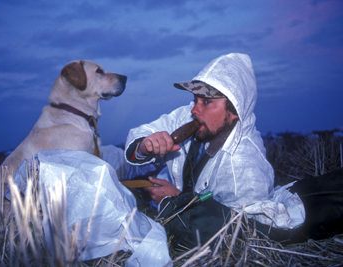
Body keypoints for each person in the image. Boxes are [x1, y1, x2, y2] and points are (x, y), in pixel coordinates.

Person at [123, 53, 305, 248]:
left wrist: (175, 201)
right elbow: (145, 132)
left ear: (234, 110)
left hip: (181, 215)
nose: (194, 109)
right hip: (161, 200)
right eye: (195, 100)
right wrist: (144, 146)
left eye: (207, 102)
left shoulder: (245, 167)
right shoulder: (194, 117)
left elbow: (235, 233)